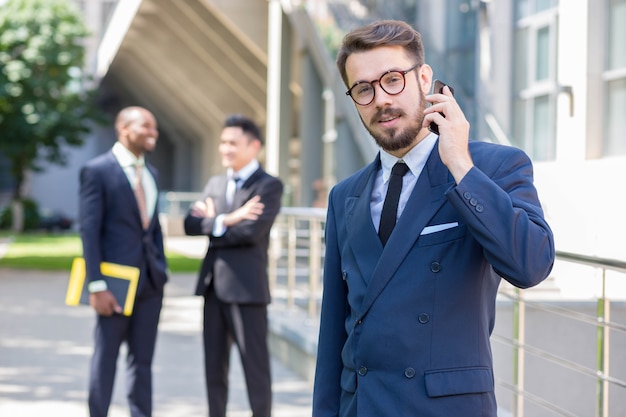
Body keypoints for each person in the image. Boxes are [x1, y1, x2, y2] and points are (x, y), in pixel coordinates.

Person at [312, 20, 555, 417]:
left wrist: (460, 163)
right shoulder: (345, 197)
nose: (380, 99)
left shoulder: (492, 166)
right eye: (363, 89)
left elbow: (532, 265)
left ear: (424, 78)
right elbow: (332, 332)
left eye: (393, 79)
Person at [184, 114, 283, 417]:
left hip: (246, 289)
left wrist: (211, 223)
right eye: (222, 142)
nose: (224, 149)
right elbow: (189, 224)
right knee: (214, 369)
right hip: (213, 287)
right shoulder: (216, 182)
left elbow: (251, 233)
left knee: (255, 370)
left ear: (254, 147)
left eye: (232, 143)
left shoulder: (268, 186)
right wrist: (228, 219)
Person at [79, 106, 169, 417]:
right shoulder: (98, 170)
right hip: (113, 284)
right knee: (105, 358)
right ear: (124, 129)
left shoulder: (152, 173)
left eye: (154, 127)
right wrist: (96, 284)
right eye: (146, 126)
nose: (152, 132)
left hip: (151, 283)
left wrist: (162, 269)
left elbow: (153, 229)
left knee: (142, 363)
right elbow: (89, 231)